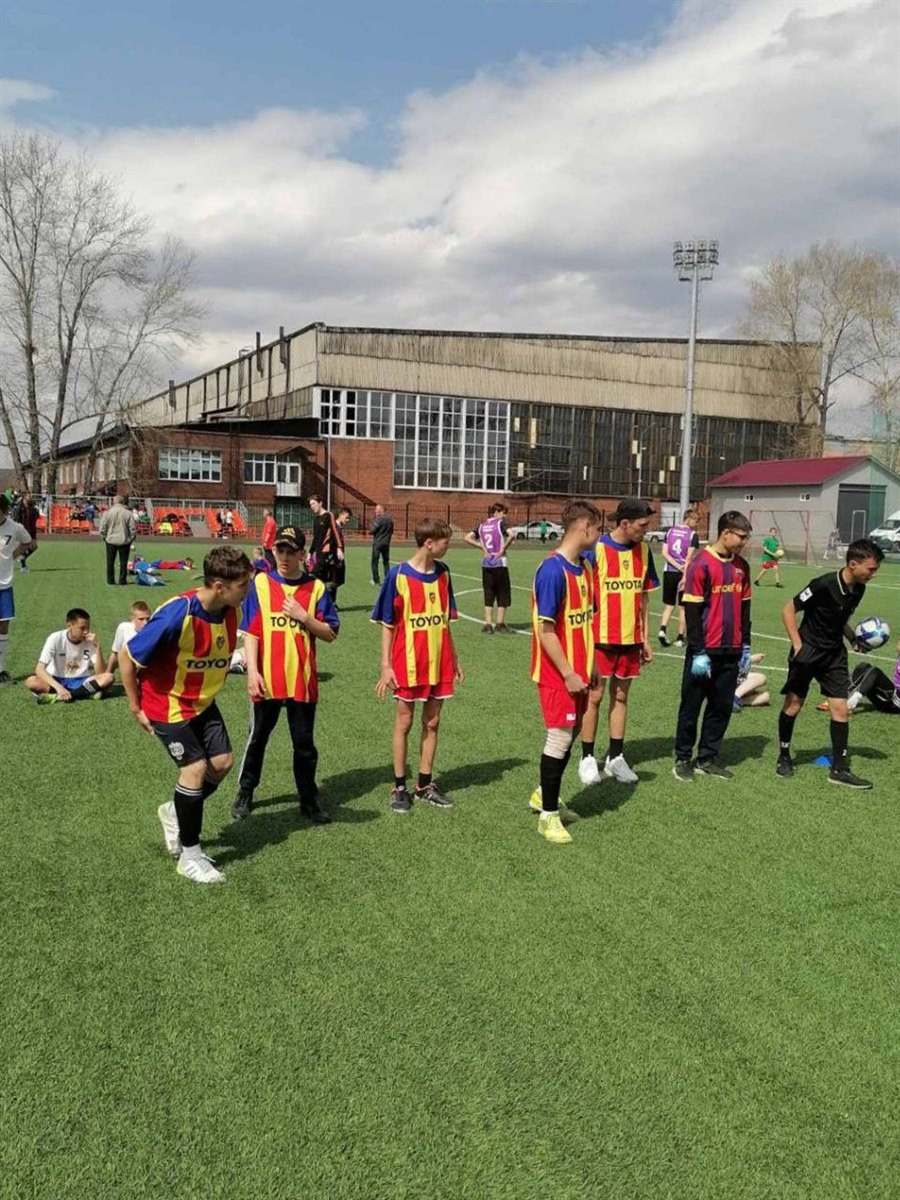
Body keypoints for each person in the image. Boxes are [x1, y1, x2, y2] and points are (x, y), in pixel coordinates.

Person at [119, 546, 253, 884]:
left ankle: (174, 811)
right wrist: (135, 707)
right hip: (166, 703)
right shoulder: (178, 614)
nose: (248, 589)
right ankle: (190, 856)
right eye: (243, 585)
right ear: (219, 586)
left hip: (202, 702)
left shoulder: (231, 609)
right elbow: (127, 656)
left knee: (221, 763)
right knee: (194, 770)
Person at [232, 525, 340, 823]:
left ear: (303, 554)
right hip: (266, 679)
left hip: (301, 681)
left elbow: (331, 633)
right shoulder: (261, 584)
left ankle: (308, 799)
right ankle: (245, 791)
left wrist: (305, 617)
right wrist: (252, 672)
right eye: (279, 549)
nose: (284, 556)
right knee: (257, 738)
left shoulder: (316, 588)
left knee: (304, 744)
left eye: (291, 551)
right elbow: (251, 632)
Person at [776, 538, 884, 789]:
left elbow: (840, 618)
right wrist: (797, 644)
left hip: (834, 655)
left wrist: (852, 638)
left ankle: (839, 769)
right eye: (871, 568)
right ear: (853, 564)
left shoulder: (859, 589)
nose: (873, 574)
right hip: (808, 652)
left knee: (841, 709)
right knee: (794, 704)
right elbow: (788, 610)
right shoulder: (822, 585)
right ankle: (784, 755)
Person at [372, 517, 464, 814]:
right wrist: (386, 665)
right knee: (404, 721)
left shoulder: (444, 573)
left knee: (432, 722)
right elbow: (388, 624)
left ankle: (424, 785)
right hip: (407, 662)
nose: (448, 546)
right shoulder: (398, 575)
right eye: (445, 542)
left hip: (439, 662)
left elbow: (444, 621)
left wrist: (455, 658)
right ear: (429, 543)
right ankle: (399, 787)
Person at [528, 501, 601, 845]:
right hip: (559, 674)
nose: (598, 535)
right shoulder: (552, 571)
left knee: (568, 735)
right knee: (558, 737)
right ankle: (548, 817)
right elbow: (546, 631)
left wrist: (592, 664)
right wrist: (569, 672)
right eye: (597, 528)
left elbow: (585, 622)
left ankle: (545, 795)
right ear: (584, 526)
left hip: (580, 671)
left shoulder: (584, 567)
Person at [578, 498, 658, 787]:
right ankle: (588, 758)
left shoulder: (645, 551)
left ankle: (615, 758)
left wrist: (645, 638)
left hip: (631, 640)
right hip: (599, 639)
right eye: (642, 525)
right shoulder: (596, 549)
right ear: (625, 524)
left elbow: (644, 597)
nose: (647, 530)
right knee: (594, 697)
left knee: (621, 697)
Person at [672, 512, 753, 781]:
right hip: (705, 650)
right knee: (691, 706)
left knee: (721, 707)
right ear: (725, 533)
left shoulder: (742, 566)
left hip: (732, 650)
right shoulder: (701, 564)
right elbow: (692, 611)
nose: (744, 542)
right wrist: (697, 651)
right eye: (741, 537)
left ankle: (707, 758)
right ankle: (683, 758)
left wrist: (745, 645)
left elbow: (745, 608)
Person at [25, 607, 114, 702]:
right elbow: (39, 669)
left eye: (88, 627)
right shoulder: (55, 638)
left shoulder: (90, 641)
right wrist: (59, 688)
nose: (86, 631)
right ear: (69, 625)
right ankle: (84, 693)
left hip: (81, 681)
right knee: (31, 681)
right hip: (56, 680)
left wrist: (98, 647)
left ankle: (60, 697)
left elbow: (101, 673)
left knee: (109, 677)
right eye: (82, 628)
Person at [0, 495, 35, 683]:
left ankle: (1, 669)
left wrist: (12, 556)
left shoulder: (14, 528)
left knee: (3, 626)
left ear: (4, 511)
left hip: (4, 585)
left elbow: (27, 541)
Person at [465, 502, 514, 634]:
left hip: (486, 563)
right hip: (500, 562)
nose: (504, 516)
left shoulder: (482, 525)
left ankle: (488, 624)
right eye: (503, 513)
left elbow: (467, 538)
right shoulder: (500, 524)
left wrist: (481, 547)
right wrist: (503, 549)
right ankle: (500, 623)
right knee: (502, 592)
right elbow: (512, 535)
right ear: (497, 512)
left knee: (489, 592)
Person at [657, 509, 700, 648]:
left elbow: (664, 553)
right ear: (688, 519)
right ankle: (680, 638)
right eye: (696, 521)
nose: (697, 524)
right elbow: (689, 558)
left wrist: (675, 565)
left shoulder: (670, 531)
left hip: (669, 571)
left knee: (669, 605)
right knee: (683, 607)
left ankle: (662, 630)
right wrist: (684, 573)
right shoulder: (693, 535)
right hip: (684, 573)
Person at [839, 641, 900, 715]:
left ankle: (852, 703)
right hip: (885, 698)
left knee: (875, 671)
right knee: (863, 666)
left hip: (894, 704)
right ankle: (842, 697)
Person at [98, 496, 137, 586]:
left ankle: (110, 580)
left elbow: (103, 527)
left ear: (114, 502)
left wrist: (104, 536)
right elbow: (132, 528)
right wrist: (132, 537)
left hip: (110, 540)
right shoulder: (128, 513)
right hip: (124, 540)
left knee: (110, 562)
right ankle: (122, 580)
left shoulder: (108, 513)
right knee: (123, 562)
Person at [107, 601, 151, 675]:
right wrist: (108, 673)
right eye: (141, 619)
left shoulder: (154, 632)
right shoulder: (123, 628)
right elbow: (115, 653)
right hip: (129, 672)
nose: (145, 623)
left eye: (148, 619)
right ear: (132, 619)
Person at [11, 490, 39, 572]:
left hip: (31, 529)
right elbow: (16, 518)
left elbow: (36, 517)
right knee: (25, 546)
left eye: (30, 496)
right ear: (24, 497)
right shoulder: (19, 507)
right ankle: (23, 567)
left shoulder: (32, 507)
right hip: (22, 529)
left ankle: (21, 558)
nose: (30, 497)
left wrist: (36, 511)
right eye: (28, 496)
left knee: (34, 546)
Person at [370, 503, 394, 586]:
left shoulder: (379, 519)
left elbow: (371, 531)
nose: (375, 511)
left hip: (377, 543)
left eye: (377, 509)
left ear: (381, 510)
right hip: (386, 544)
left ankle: (376, 580)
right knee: (386, 562)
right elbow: (391, 531)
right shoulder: (390, 520)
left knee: (374, 562)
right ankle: (387, 580)